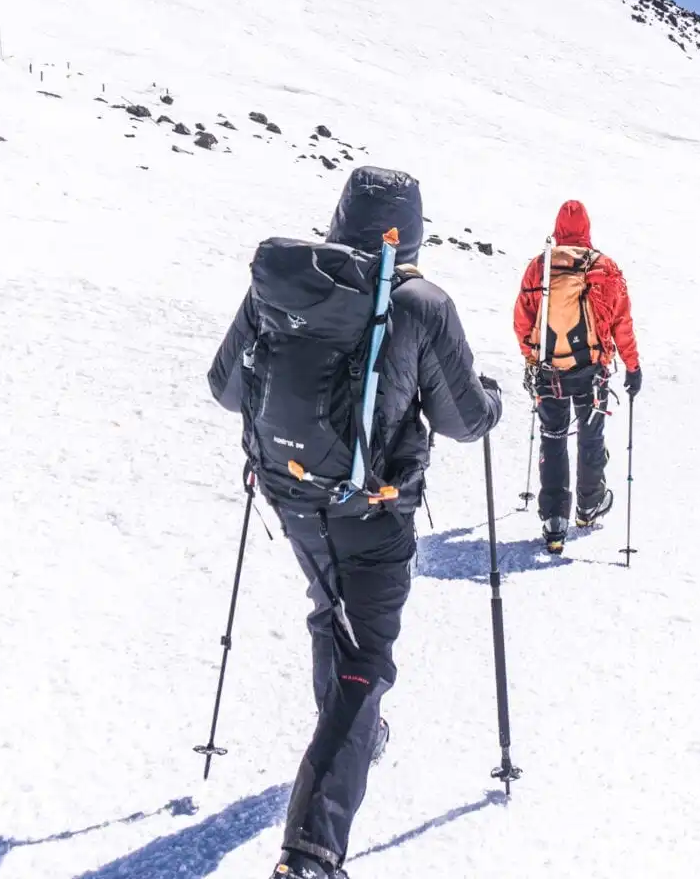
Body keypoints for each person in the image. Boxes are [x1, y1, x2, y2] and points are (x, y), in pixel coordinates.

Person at [208, 166, 502, 879]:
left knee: (328, 609)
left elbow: (224, 387)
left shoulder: (285, 281)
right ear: (416, 228)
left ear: (339, 217)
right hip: (374, 508)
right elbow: (465, 421)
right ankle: (312, 852)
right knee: (366, 661)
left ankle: (347, 736)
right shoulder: (421, 304)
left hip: (289, 491)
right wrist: (490, 398)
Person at [511, 199, 642, 553]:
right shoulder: (603, 267)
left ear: (557, 228)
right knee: (590, 435)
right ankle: (588, 504)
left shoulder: (540, 267)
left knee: (553, 438)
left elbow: (522, 320)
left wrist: (533, 357)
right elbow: (621, 322)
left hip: (549, 371)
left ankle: (554, 521)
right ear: (586, 229)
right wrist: (632, 365)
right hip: (591, 371)